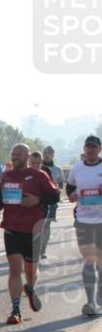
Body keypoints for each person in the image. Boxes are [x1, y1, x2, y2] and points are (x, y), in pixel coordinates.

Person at [0, 144, 61, 325]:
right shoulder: (6, 176)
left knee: (31, 270)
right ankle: (15, 309)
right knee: (14, 269)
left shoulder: (38, 175)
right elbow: (3, 198)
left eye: (19, 154)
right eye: (13, 154)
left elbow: (55, 196)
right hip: (12, 228)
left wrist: (38, 200)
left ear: (27, 157)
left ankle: (31, 287)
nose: (15, 157)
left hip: (33, 229)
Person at [65, 135, 102, 315]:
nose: (90, 150)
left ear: (100, 149)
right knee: (89, 261)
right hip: (83, 221)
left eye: (94, 147)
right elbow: (70, 187)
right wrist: (71, 195)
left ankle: (100, 299)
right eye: (88, 147)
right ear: (84, 149)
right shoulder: (77, 168)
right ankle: (91, 302)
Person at [39, 147, 66, 259]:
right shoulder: (37, 167)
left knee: (46, 225)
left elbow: (61, 183)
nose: (47, 155)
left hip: (52, 201)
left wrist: (58, 190)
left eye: (49, 153)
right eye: (45, 153)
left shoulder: (57, 169)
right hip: (38, 200)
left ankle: (43, 250)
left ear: (53, 155)